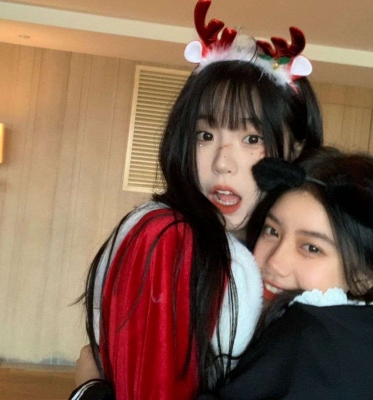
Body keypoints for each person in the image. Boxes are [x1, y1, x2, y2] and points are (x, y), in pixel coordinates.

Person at [68, 0, 323, 398]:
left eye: (251, 138)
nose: (222, 163)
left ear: (295, 150)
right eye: (205, 135)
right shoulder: (168, 238)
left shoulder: (270, 251)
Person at [198, 147, 373, 399]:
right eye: (272, 231)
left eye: (311, 248)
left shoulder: (309, 340)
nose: (275, 262)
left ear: (364, 277)